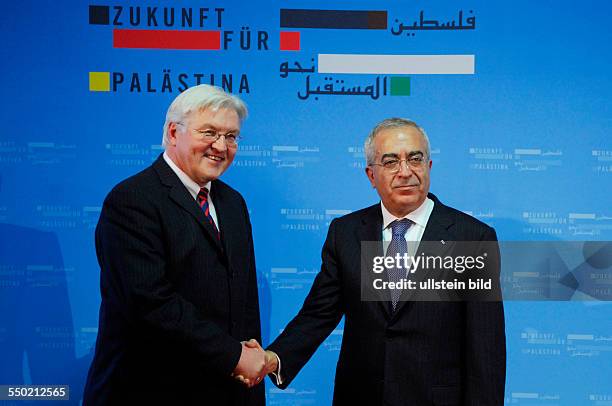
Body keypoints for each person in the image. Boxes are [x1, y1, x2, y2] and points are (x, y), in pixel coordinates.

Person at [260, 118, 506, 405]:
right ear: (371, 175)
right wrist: (273, 358)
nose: (405, 172)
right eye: (390, 162)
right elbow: (318, 314)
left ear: (429, 166)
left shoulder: (472, 238)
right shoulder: (347, 232)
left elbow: (486, 348)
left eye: (415, 159)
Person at [83, 85, 266, 405]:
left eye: (232, 136)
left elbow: (244, 304)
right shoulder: (132, 200)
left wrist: (250, 373)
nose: (221, 146)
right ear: (172, 132)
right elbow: (150, 303)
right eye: (209, 132)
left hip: (224, 391)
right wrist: (234, 355)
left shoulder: (233, 203)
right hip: (150, 391)